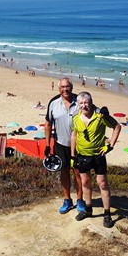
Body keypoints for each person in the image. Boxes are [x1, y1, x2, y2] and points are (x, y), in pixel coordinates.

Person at [71, 91, 121, 228]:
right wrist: (72, 156)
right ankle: (88, 209)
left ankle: (107, 214)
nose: (84, 106)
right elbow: (74, 136)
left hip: (98, 156)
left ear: (91, 102)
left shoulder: (101, 116)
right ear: (78, 104)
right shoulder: (75, 118)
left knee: (103, 184)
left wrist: (109, 146)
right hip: (82, 156)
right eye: (81, 103)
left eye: (86, 102)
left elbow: (117, 127)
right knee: (85, 182)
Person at [44, 78, 84, 214]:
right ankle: (67, 200)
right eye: (62, 87)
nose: (65, 89)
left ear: (72, 87)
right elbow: (48, 124)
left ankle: (80, 200)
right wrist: (47, 145)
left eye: (67, 86)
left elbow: (93, 114)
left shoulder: (80, 102)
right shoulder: (53, 103)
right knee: (64, 172)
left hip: (79, 145)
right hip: (60, 144)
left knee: (78, 173)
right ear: (59, 89)